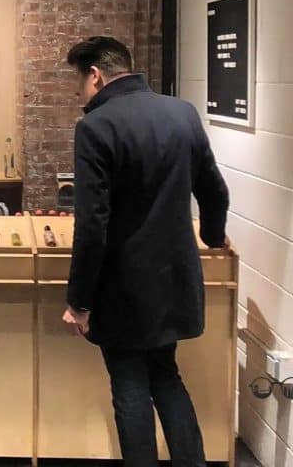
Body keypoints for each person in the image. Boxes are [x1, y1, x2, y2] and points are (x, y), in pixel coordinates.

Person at [61, 37, 230, 466]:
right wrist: (213, 236)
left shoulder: (96, 126)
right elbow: (213, 189)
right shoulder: (182, 113)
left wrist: (78, 301)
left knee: (130, 384)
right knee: (167, 377)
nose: (79, 94)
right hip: (175, 281)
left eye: (78, 83)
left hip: (123, 289)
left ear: (95, 75)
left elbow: (93, 225)